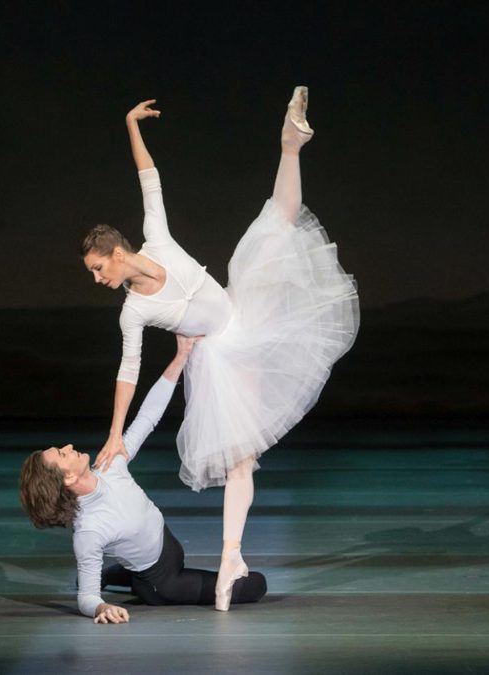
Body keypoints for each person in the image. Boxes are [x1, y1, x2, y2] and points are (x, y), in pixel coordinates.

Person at [81, 87, 359, 610]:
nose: (98, 278)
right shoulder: (133, 310)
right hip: (222, 358)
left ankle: (290, 144)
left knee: (280, 221)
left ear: (116, 253)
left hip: (244, 310)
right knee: (242, 461)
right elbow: (128, 370)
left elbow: (149, 178)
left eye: (98, 268)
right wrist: (116, 434)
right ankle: (232, 555)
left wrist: (130, 124)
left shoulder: (156, 237)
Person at [18, 336, 268, 622]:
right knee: (256, 585)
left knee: (128, 568)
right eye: (62, 455)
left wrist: (181, 356)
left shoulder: (109, 464)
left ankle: (114, 575)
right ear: (68, 477)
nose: (68, 447)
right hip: (162, 583)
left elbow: (147, 417)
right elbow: (86, 598)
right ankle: (124, 578)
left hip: (166, 549)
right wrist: (102, 608)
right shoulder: (88, 532)